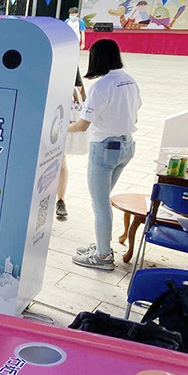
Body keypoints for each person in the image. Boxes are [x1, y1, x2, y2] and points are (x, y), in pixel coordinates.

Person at [68, 39, 141, 271]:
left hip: (105, 150)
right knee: (103, 200)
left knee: (100, 204)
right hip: (127, 146)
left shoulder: (102, 86)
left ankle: (102, 255)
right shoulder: (129, 80)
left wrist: (58, 127)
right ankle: (102, 245)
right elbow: (135, 117)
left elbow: (81, 126)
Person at [56, 70, 88, 219]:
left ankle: (60, 200)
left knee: (60, 160)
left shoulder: (70, 61)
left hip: (60, 115)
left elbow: (79, 89)